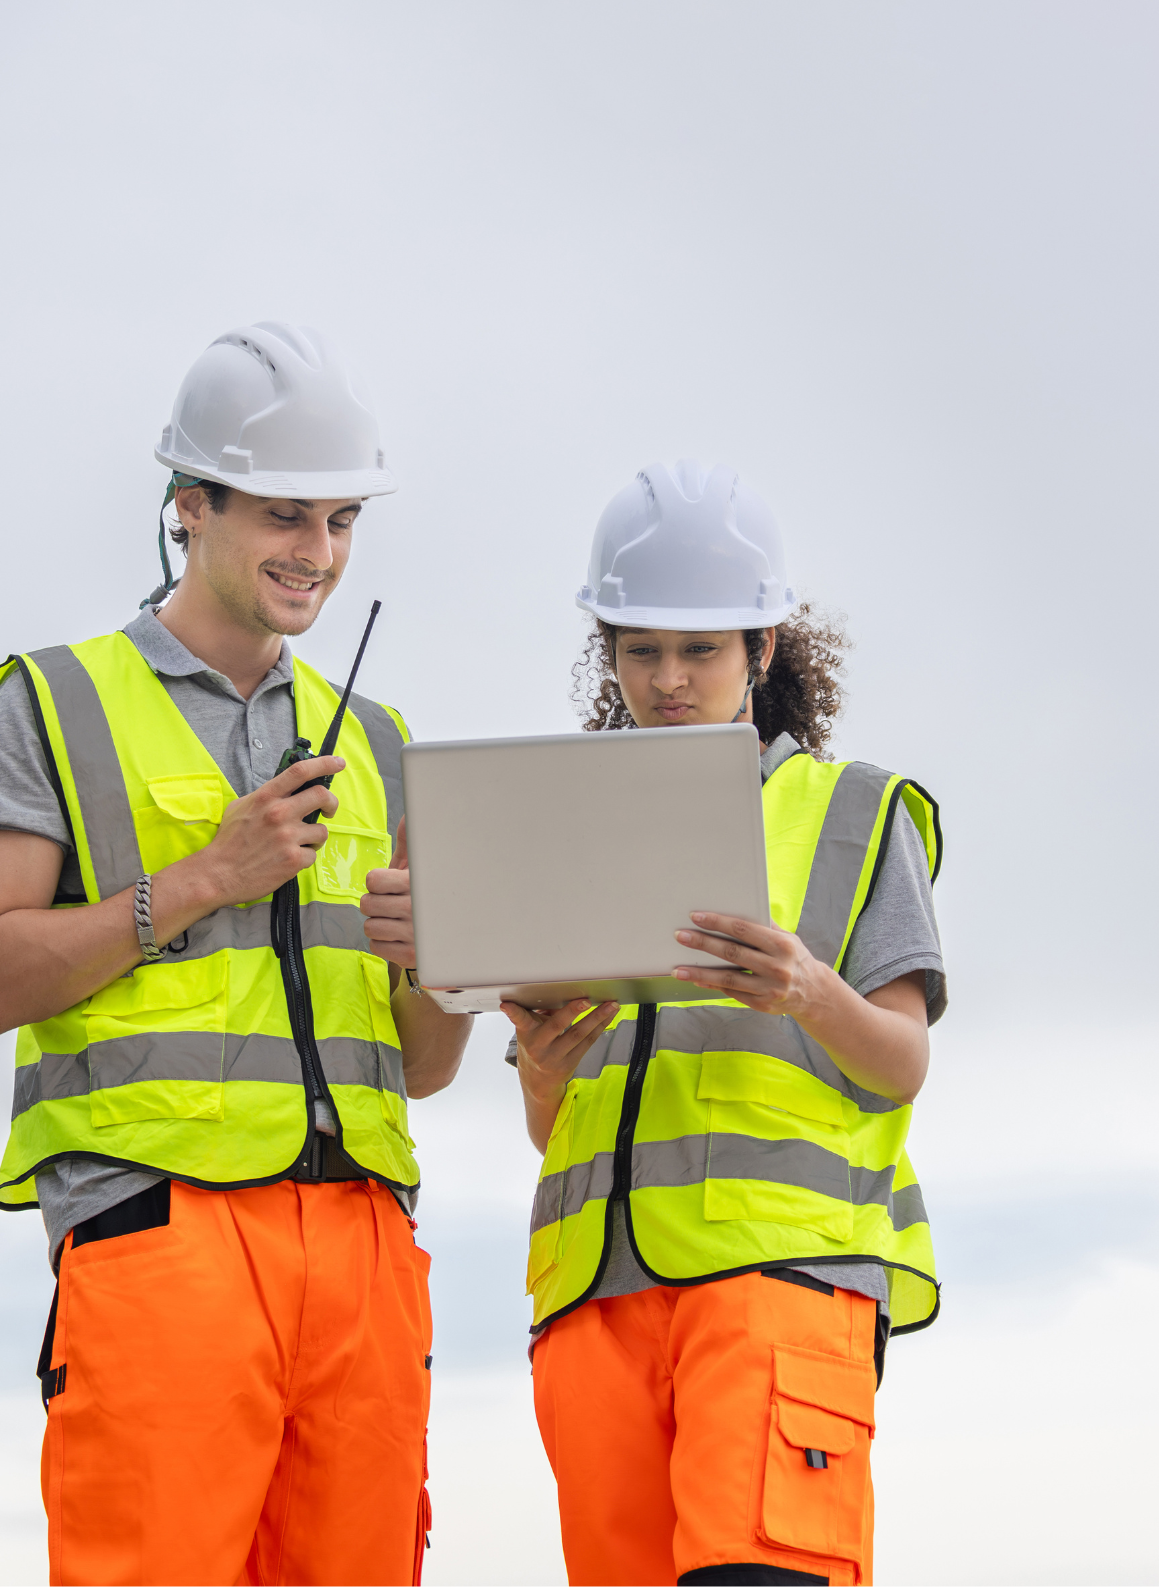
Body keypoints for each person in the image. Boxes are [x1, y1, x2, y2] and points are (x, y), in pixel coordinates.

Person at [0, 322, 474, 1586]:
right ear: (191, 506)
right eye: (286, 515)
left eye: (340, 522)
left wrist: (443, 972)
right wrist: (203, 881)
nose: (318, 555)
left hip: (362, 1253)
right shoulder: (53, 706)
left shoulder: (387, 744)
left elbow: (425, 1064)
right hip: (159, 1239)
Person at [380, 459, 944, 1586]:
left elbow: (901, 1064)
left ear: (764, 650)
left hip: (776, 1289)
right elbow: (556, 1133)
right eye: (641, 651)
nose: (669, 680)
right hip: (596, 1306)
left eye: (701, 651)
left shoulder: (853, 812)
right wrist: (545, 1069)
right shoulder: (562, 825)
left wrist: (805, 990)